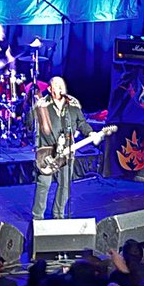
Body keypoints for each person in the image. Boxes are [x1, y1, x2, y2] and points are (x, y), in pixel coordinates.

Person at [30, 76, 95, 220]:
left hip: (66, 151)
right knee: (44, 184)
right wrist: (34, 108)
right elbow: (28, 123)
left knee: (64, 185)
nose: (60, 88)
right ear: (50, 89)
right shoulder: (43, 104)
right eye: (56, 85)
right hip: (47, 151)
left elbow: (81, 123)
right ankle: (37, 217)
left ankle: (58, 215)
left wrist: (91, 132)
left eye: (62, 85)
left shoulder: (73, 104)